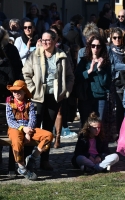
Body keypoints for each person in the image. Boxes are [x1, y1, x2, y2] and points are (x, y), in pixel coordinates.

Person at [22, 30, 75, 170]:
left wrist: (66, 91)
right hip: (37, 97)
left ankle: (44, 160)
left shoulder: (62, 56)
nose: (45, 43)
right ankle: (27, 160)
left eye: (48, 40)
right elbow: (26, 73)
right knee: (33, 128)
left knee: (48, 129)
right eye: (43, 40)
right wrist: (32, 89)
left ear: (54, 41)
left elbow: (70, 76)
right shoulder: (35, 55)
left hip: (54, 97)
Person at [6, 80, 53, 180]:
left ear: (24, 92)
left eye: (19, 91)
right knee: (16, 141)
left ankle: (33, 158)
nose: (16, 93)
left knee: (48, 135)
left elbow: (33, 119)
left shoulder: (29, 104)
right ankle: (22, 167)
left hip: (29, 129)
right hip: (15, 128)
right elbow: (10, 121)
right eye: (14, 91)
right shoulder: (9, 102)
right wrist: (23, 129)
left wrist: (29, 132)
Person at [75, 35, 111, 126]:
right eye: (93, 46)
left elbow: (106, 83)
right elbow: (77, 77)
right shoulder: (84, 61)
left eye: (98, 46)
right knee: (85, 126)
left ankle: (98, 141)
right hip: (86, 97)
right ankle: (85, 141)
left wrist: (99, 69)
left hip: (100, 97)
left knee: (99, 125)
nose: (95, 48)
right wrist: (89, 71)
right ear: (89, 46)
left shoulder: (105, 63)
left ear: (102, 48)